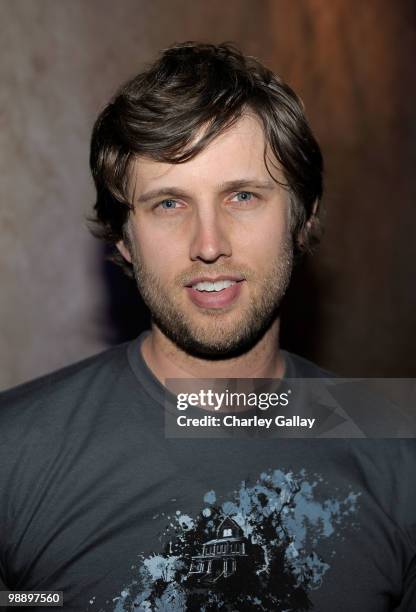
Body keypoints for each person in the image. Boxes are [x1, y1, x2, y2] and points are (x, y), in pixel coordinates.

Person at [0, 42, 415, 612]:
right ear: (124, 237)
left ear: (303, 218)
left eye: (243, 196)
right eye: (169, 204)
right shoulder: (16, 449)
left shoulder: (397, 447)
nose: (209, 245)